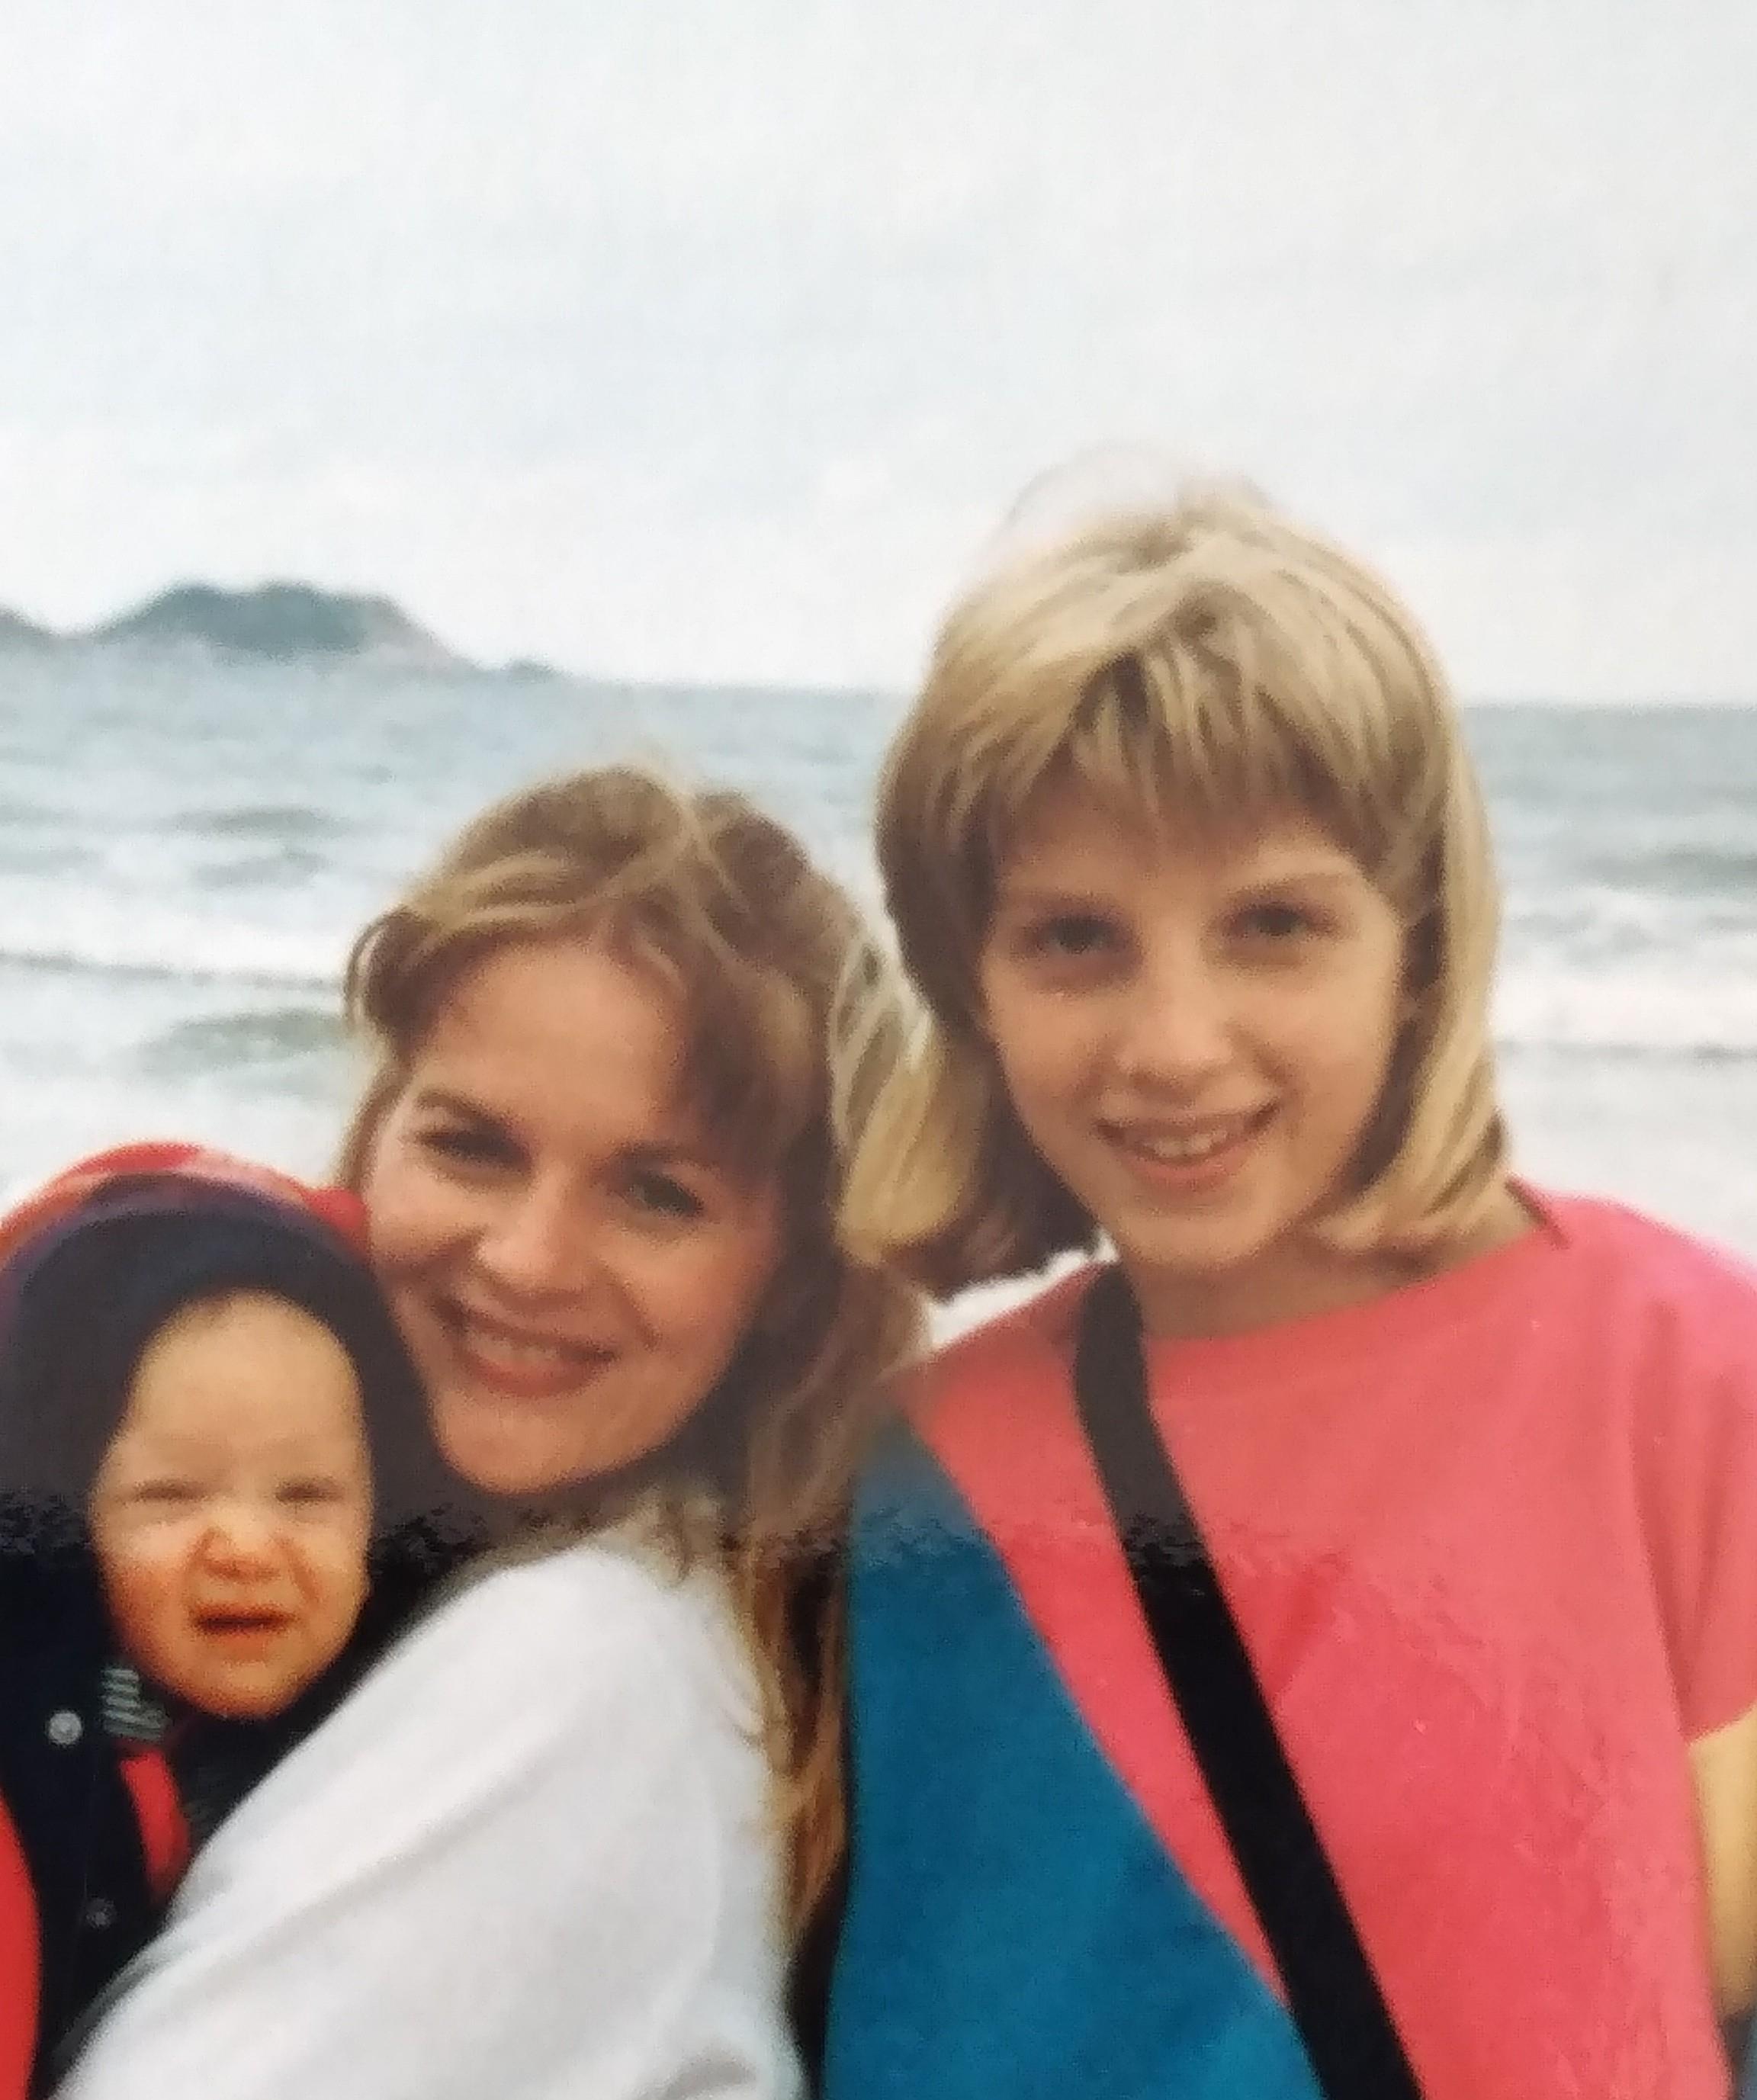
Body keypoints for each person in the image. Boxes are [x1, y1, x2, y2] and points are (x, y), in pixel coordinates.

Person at [821, 487, 1757, 2098]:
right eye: (1074, 940)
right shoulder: (912, 1481)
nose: (1175, 1043)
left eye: (1274, 926)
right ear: (968, 981)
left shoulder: (1684, 1380)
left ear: (1421, 945)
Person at [55, 769, 922, 2100]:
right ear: (378, 1126)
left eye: (655, 1191)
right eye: (471, 1145)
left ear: (797, 1272)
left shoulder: (574, 1670)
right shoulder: (627, 1593)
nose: (525, 1257)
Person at [0, 1142, 462, 2100]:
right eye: (170, 1497)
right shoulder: (25, 1782)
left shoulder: (414, 1726)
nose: (247, 1549)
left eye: (307, 1496)